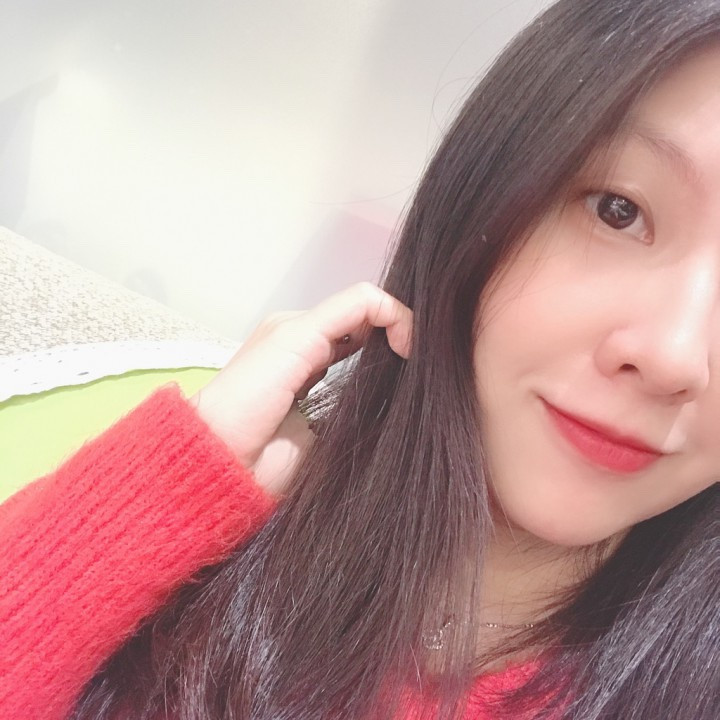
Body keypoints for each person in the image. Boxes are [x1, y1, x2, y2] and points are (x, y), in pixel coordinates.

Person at [2, 0, 719, 717]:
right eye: (617, 209)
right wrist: (172, 483)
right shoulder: (223, 509)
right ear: (481, 199)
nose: (673, 357)